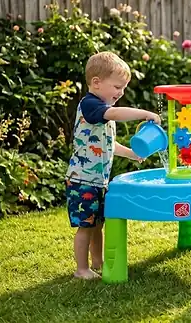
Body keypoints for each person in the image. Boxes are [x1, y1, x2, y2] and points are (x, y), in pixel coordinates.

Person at [65, 51, 161, 280]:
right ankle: (81, 269)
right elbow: (116, 114)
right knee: (85, 227)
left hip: (98, 181)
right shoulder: (91, 105)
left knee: (97, 225)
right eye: (118, 87)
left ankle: (97, 261)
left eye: (124, 88)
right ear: (96, 83)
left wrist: (131, 154)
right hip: (82, 181)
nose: (121, 93)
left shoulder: (101, 109)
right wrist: (144, 114)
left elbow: (108, 144)